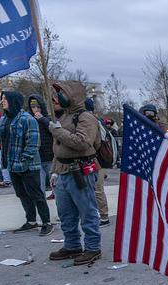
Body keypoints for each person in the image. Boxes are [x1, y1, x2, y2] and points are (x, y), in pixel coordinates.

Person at [45, 81, 102, 265]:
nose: (57, 97)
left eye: (60, 93)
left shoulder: (86, 118)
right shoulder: (63, 117)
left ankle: (93, 247)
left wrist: (58, 131)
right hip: (63, 172)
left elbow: (82, 143)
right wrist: (54, 171)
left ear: (72, 95)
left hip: (81, 171)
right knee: (66, 214)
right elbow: (58, 149)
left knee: (87, 212)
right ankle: (72, 245)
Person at [0, 91, 53, 236]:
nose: (2, 101)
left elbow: (33, 143)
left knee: (36, 194)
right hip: (12, 165)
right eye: (2, 99)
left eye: (5, 99)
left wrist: (24, 159)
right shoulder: (4, 119)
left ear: (13, 100)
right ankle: (31, 221)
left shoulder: (27, 119)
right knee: (22, 194)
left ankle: (47, 222)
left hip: (28, 166)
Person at [84, 98, 111, 227]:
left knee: (97, 189)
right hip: (95, 160)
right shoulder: (94, 120)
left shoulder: (92, 121)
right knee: (93, 188)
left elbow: (96, 142)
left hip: (97, 159)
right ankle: (98, 214)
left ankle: (104, 216)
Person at [27, 94, 54, 197]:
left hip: (50, 157)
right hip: (37, 158)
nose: (36, 110)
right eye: (33, 107)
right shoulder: (29, 120)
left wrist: (43, 119)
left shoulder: (47, 118)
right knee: (39, 186)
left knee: (55, 184)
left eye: (38, 107)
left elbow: (54, 130)